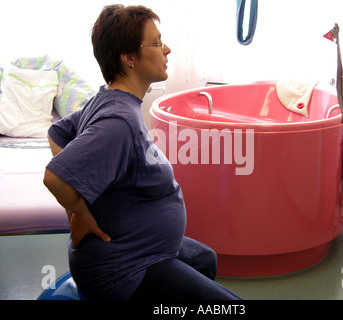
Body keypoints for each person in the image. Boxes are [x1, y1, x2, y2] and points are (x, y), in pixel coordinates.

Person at [43, 4, 241, 300]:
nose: (168, 50)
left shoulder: (110, 99)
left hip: (137, 247)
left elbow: (56, 132)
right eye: (158, 43)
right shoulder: (118, 122)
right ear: (129, 57)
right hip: (123, 270)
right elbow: (55, 178)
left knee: (205, 259)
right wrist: (78, 211)